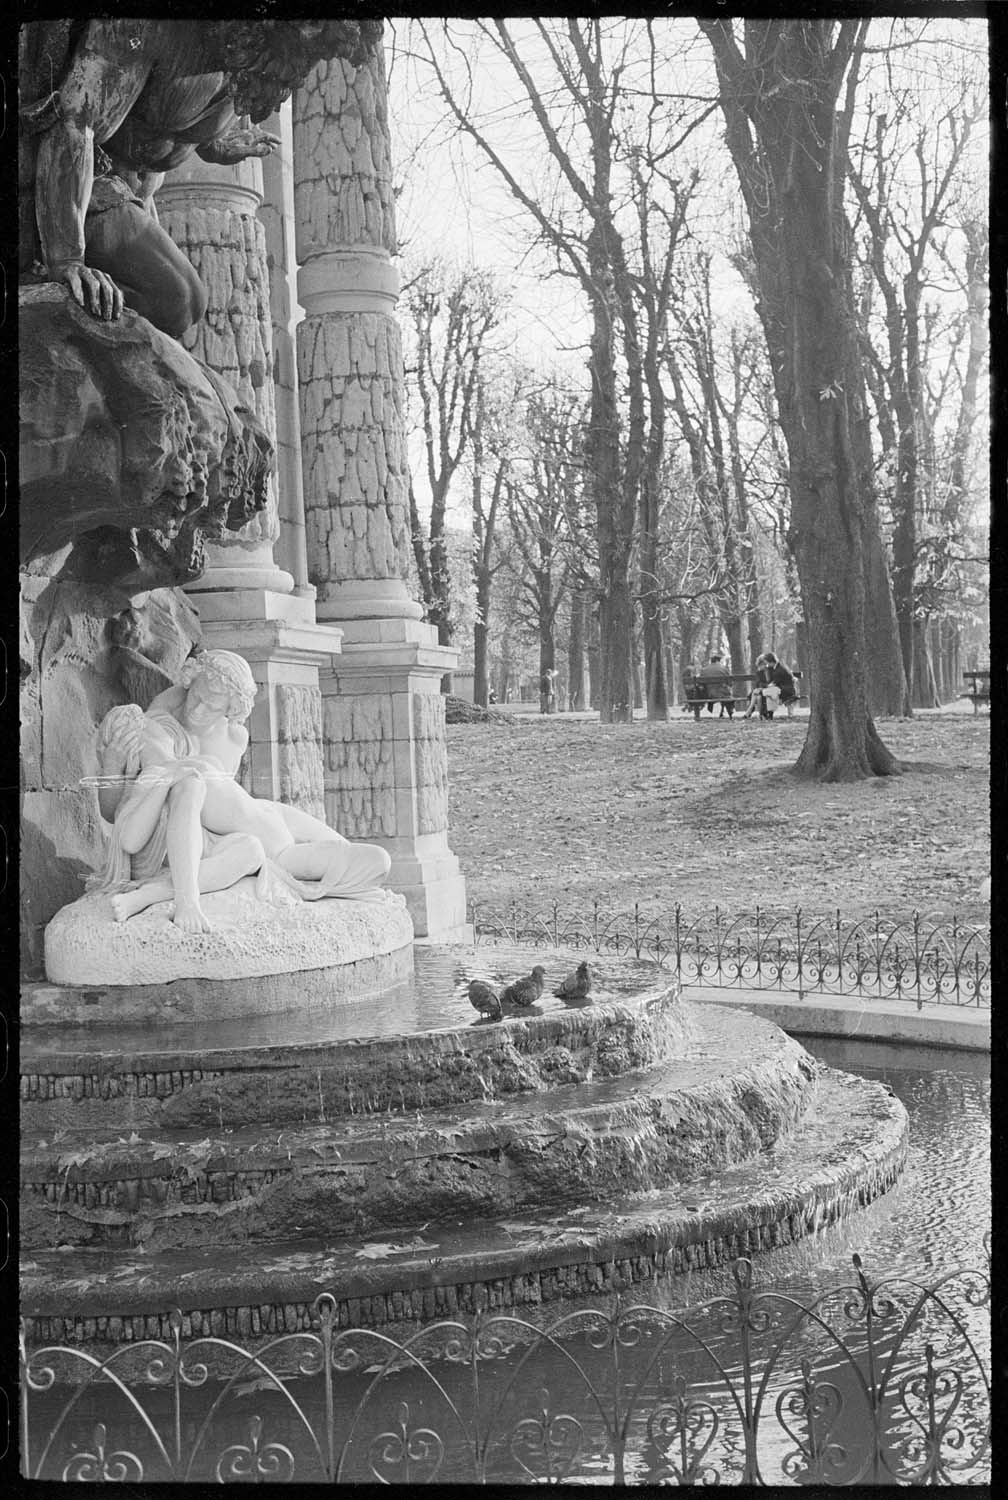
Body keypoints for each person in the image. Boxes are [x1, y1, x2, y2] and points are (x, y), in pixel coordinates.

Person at [90, 649, 392, 931]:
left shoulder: (233, 738)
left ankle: (340, 885)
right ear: (189, 683)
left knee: (379, 862)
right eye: (197, 696)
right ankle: (172, 894)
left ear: (230, 710)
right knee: (366, 866)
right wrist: (114, 763)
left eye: (213, 706)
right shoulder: (159, 727)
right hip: (277, 852)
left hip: (271, 816)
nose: (198, 709)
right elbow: (122, 815)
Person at [701, 654, 735, 719]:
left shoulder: (704, 669)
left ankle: (722, 712)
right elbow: (730, 683)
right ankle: (729, 711)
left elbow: (701, 683)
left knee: (723, 692)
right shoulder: (724, 668)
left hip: (709, 694)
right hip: (723, 693)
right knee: (726, 693)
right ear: (717, 661)